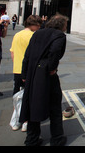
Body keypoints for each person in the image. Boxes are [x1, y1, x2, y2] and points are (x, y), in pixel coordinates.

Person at [20, 14, 68, 146]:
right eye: (65, 24)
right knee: (54, 105)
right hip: (46, 74)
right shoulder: (59, 35)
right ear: (61, 25)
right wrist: (52, 68)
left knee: (33, 104)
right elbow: (55, 52)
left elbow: (27, 54)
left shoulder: (37, 33)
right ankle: (57, 138)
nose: (66, 27)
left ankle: (32, 139)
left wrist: (24, 75)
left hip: (32, 72)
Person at [10, 15, 42, 95]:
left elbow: (12, 52)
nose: (39, 27)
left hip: (17, 69)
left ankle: (16, 107)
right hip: (29, 70)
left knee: (17, 92)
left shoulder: (17, 35)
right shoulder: (33, 36)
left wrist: (16, 64)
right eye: (38, 25)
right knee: (29, 93)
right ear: (34, 24)